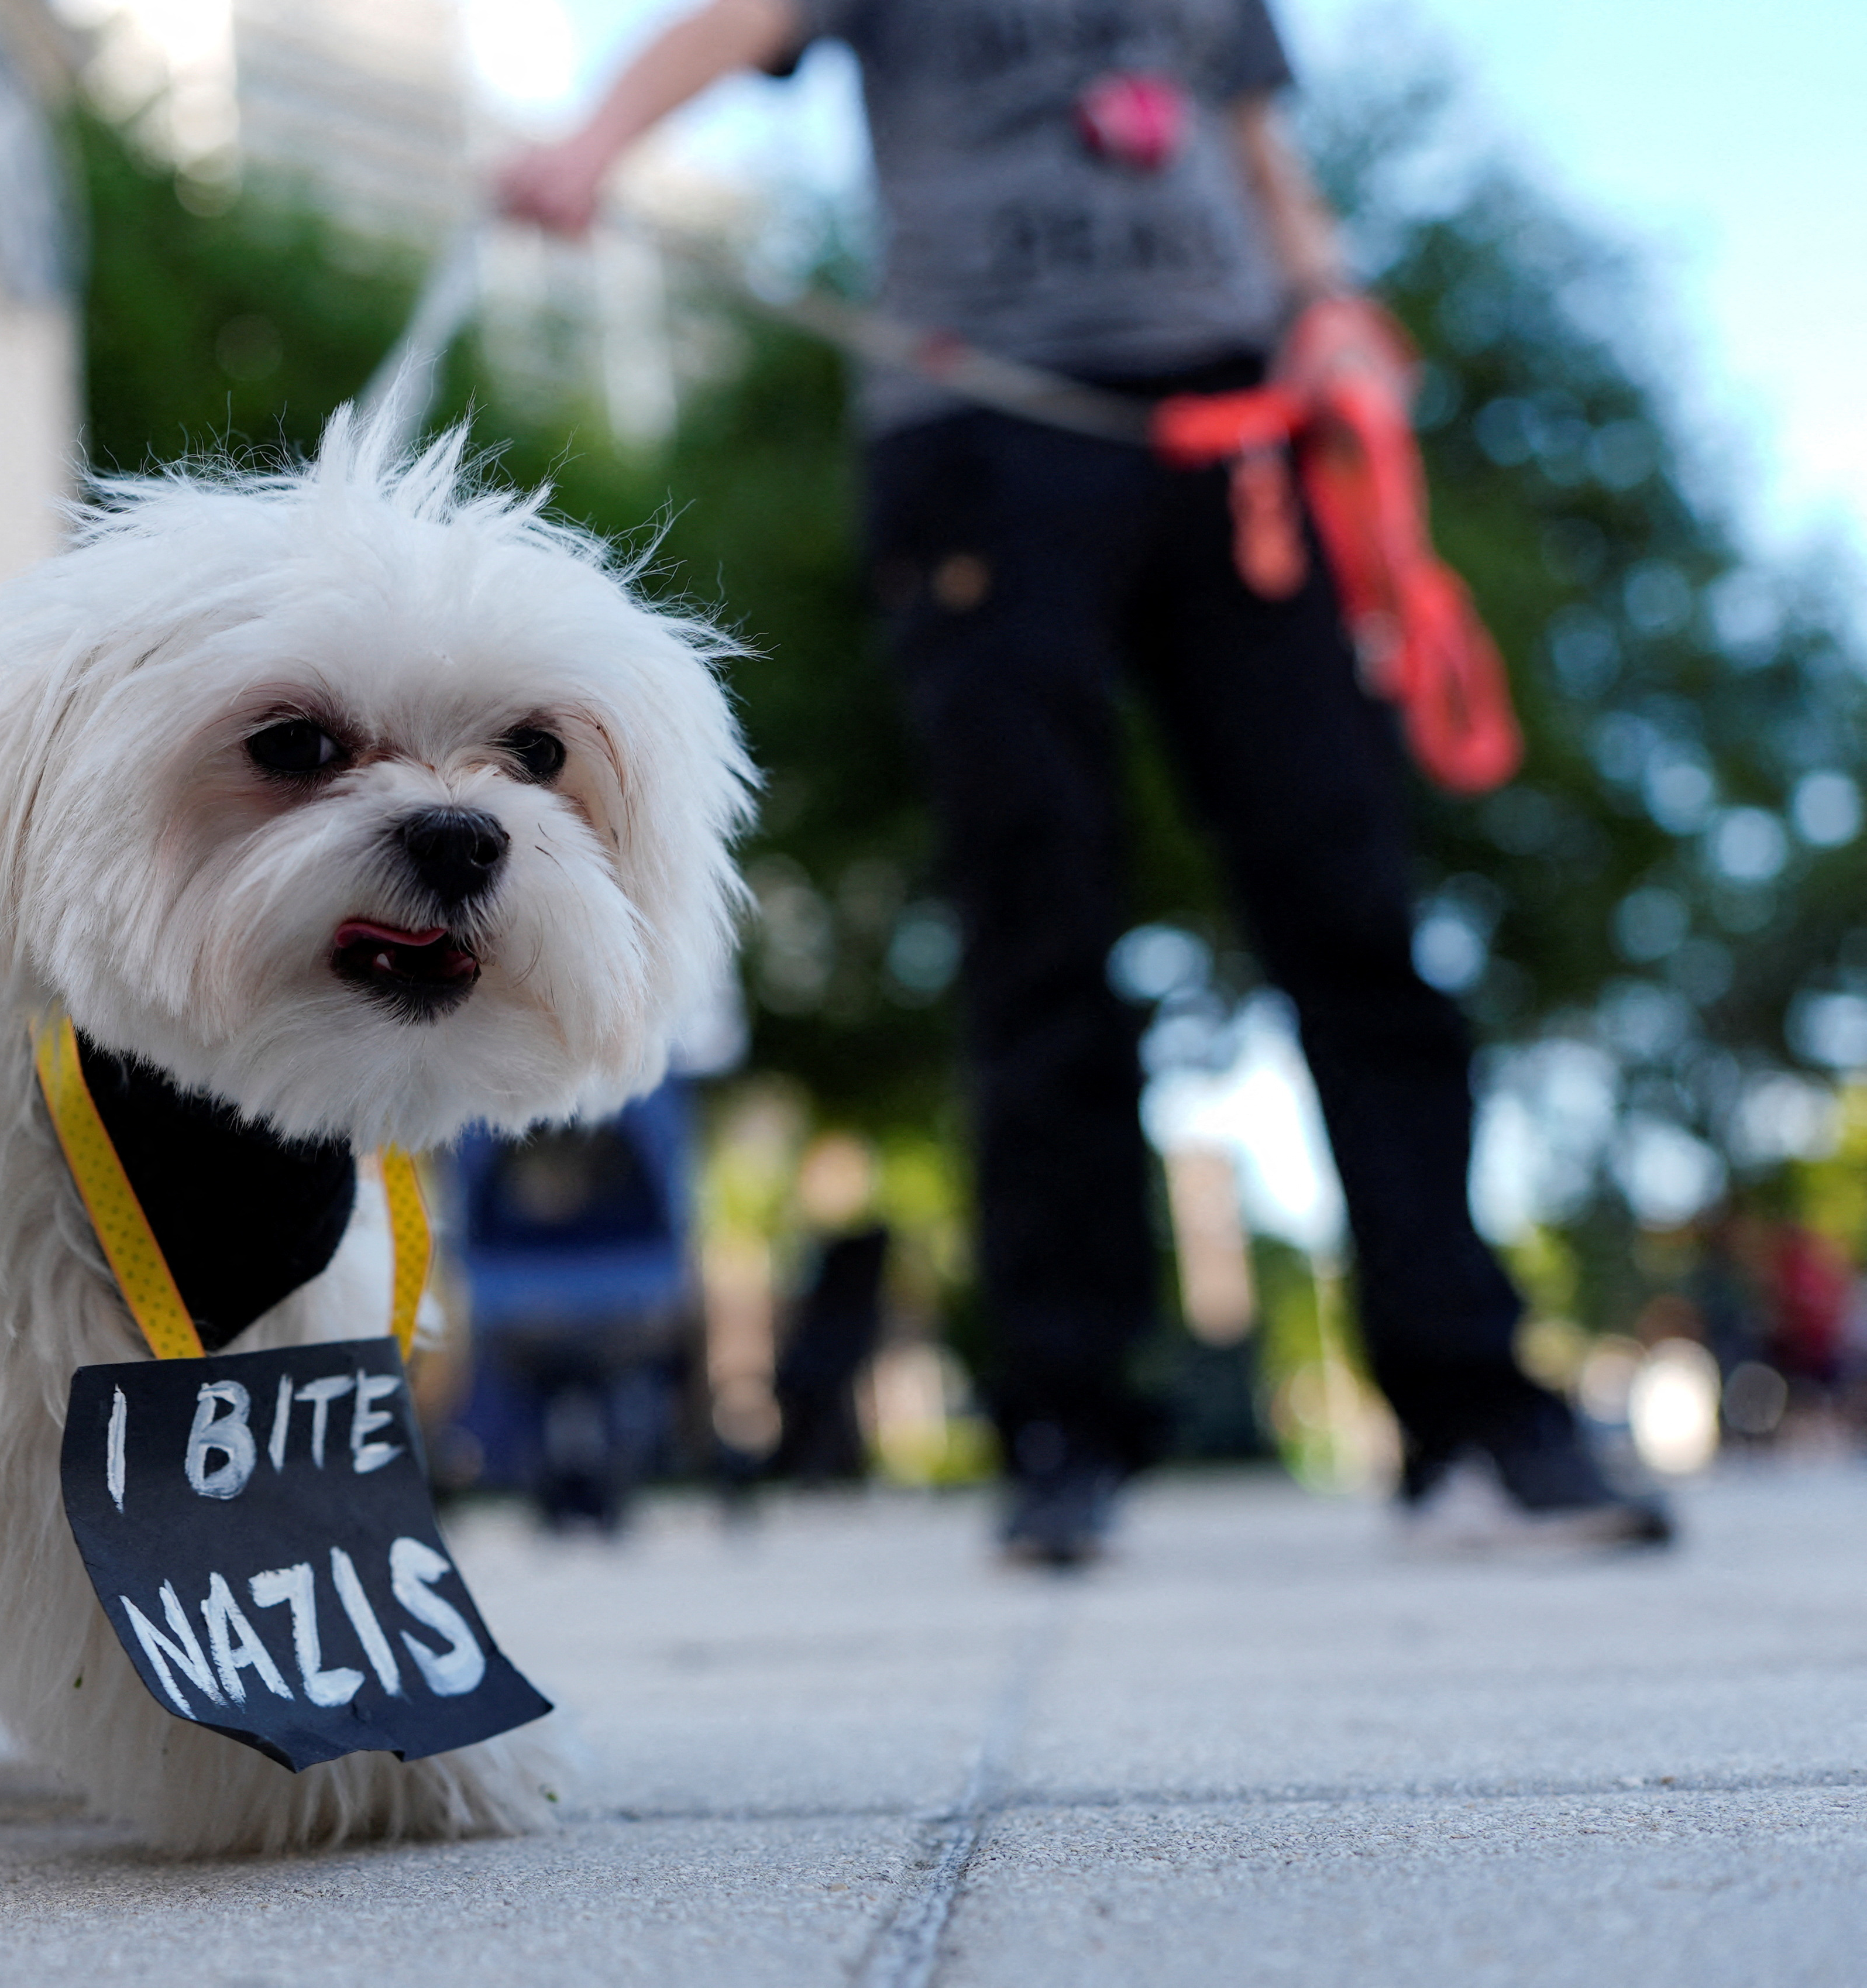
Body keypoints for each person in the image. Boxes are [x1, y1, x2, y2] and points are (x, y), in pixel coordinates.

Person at [496, 0, 1669, 1563]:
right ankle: (1062, 1412)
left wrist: (1325, 299)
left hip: (1236, 437)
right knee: (1037, 915)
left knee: (1354, 906)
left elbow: (1263, 152)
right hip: (987, 429)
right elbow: (738, 20)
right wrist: (587, 150)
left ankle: (1470, 1401)